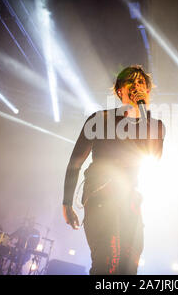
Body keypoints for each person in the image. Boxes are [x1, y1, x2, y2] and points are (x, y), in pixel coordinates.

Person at [62, 65, 165, 274]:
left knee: (129, 268)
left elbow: (153, 156)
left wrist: (143, 111)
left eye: (141, 83)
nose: (137, 86)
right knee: (107, 263)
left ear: (147, 91)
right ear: (120, 91)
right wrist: (67, 202)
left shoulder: (155, 125)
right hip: (100, 194)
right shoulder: (100, 119)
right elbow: (75, 162)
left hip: (130, 201)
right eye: (131, 82)